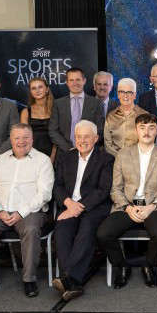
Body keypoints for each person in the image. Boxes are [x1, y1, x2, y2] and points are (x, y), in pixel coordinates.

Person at [0, 123, 54, 299]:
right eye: (17, 138)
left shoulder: (43, 160)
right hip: (1, 211)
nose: (21, 141)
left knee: (31, 229)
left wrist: (21, 213)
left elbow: (44, 194)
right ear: (11, 140)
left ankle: (29, 280)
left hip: (30, 212)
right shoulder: (0, 161)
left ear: (32, 139)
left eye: (25, 137)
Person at [96, 114, 157, 289]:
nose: (147, 132)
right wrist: (127, 207)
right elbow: (115, 189)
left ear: (156, 130)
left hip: (154, 207)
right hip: (127, 206)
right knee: (103, 234)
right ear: (136, 130)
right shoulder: (123, 155)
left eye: (151, 128)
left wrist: (152, 206)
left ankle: (149, 265)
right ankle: (122, 266)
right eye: (142, 128)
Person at [51, 120, 114, 302]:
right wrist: (68, 202)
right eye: (79, 137)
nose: (82, 140)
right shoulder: (66, 158)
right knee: (62, 229)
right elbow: (57, 185)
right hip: (69, 205)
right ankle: (72, 282)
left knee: (86, 229)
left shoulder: (106, 159)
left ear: (96, 138)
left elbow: (103, 190)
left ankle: (68, 278)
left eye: (87, 137)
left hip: (94, 207)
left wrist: (78, 207)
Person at [48, 67, 105, 152]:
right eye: (71, 80)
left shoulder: (96, 103)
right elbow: (53, 130)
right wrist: (68, 148)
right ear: (67, 82)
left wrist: (86, 146)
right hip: (65, 152)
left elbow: (100, 130)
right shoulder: (58, 104)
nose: (75, 83)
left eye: (78, 79)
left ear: (84, 81)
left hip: (89, 151)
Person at [103, 78, 148, 157]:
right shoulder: (111, 116)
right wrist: (120, 158)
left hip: (137, 160)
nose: (125, 96)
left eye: (129, 92)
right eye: (122, 92)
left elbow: (147, 142)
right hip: (114, 160)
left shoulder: (144, 115)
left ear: (134, 95)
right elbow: (108, 144)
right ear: (118, 94)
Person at [19, 77, 56, 163]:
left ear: (47, 89)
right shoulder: (26, 112)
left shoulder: (56, 110)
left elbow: (59, 135)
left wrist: (53, 157)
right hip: (32, 155)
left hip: (54, 154)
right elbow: (24, 138)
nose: (37, 91)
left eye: (40, 87)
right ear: (30, 92)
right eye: (33, 88)